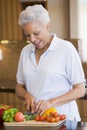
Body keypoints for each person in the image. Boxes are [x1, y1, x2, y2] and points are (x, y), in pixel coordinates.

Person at [15, 4, 85, 121]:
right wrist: (26, 95)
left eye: (36, 33)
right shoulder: (25, 51)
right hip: (35, 120)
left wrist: (51, 102)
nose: (32, 39)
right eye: (28, 35)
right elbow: (18, 87)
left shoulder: (65, 49)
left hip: (63, 119)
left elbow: (80, 90)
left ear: (47, 26)